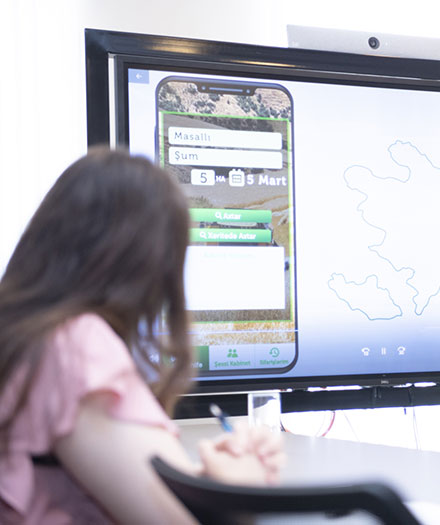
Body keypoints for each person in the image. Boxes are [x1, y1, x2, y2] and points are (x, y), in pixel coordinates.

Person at [0, 149, 284, 524]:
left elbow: (102, 478)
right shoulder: (75, 344)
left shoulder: (25, 336)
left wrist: (204, 479)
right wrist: (243, 488)